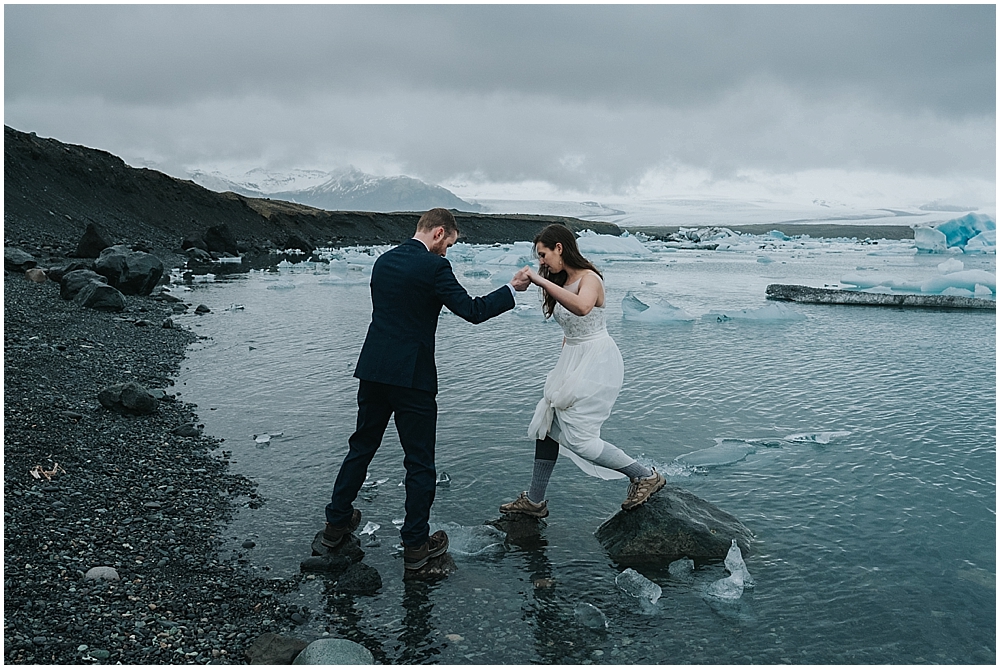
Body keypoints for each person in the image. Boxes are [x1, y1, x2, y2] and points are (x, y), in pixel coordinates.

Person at [323, 208, 531, 570]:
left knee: (361, 447)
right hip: (413, 377)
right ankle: (416, 546)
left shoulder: (383, 262)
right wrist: (511, 289)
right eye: (448, 244)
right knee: (420, 463)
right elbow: (472, 310)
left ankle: (335, 525)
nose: (447, 252)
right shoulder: (434, 268)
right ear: (438, 233)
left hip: (373, 369)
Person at [500, 224, 665, 518]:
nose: (541, 261)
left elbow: (583, 308)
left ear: (559, 248)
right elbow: (570, 328)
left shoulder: (590, 279)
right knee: (546, 424)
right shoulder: (561, 281)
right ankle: (535, 501)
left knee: (581, 439)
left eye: (543, 255)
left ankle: (644, 475)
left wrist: (539, 280)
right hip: (573, 358)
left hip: (598, 360)